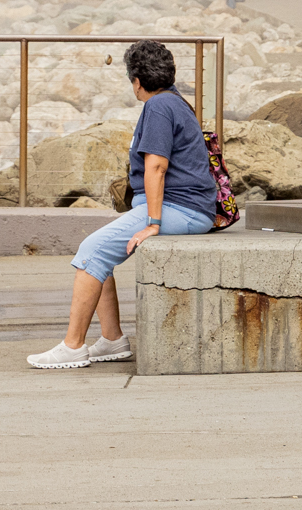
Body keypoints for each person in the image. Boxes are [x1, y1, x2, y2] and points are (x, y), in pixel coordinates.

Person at [29, 41, 217, 369]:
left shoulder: (158, 107)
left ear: (136, 82)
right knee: (99, 252)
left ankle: (73, 347)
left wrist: (153, 224)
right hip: (186, 207)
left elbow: (157, 167)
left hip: (178, 210)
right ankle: (112, 340)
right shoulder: (176, 102)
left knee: (91, 250)